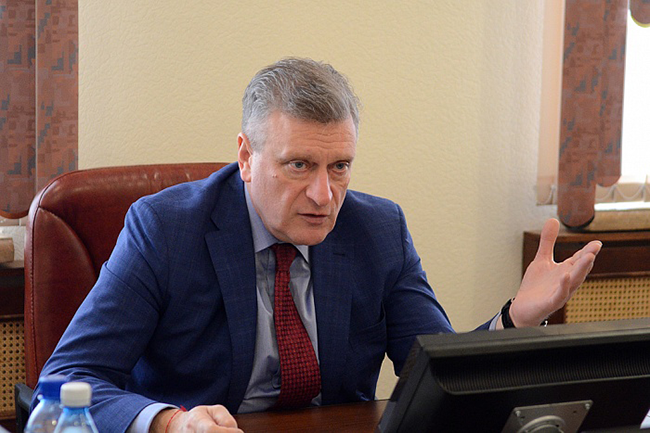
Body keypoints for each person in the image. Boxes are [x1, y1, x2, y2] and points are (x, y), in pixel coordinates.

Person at [35, 57, 602, 432]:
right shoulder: (165, 228)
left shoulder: (377, 229)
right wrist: (170, 423)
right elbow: (64, 383)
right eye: (299, 165)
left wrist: (516, 318)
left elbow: (438, 373)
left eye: (340, 166)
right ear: (246, 157)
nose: (324, 195)